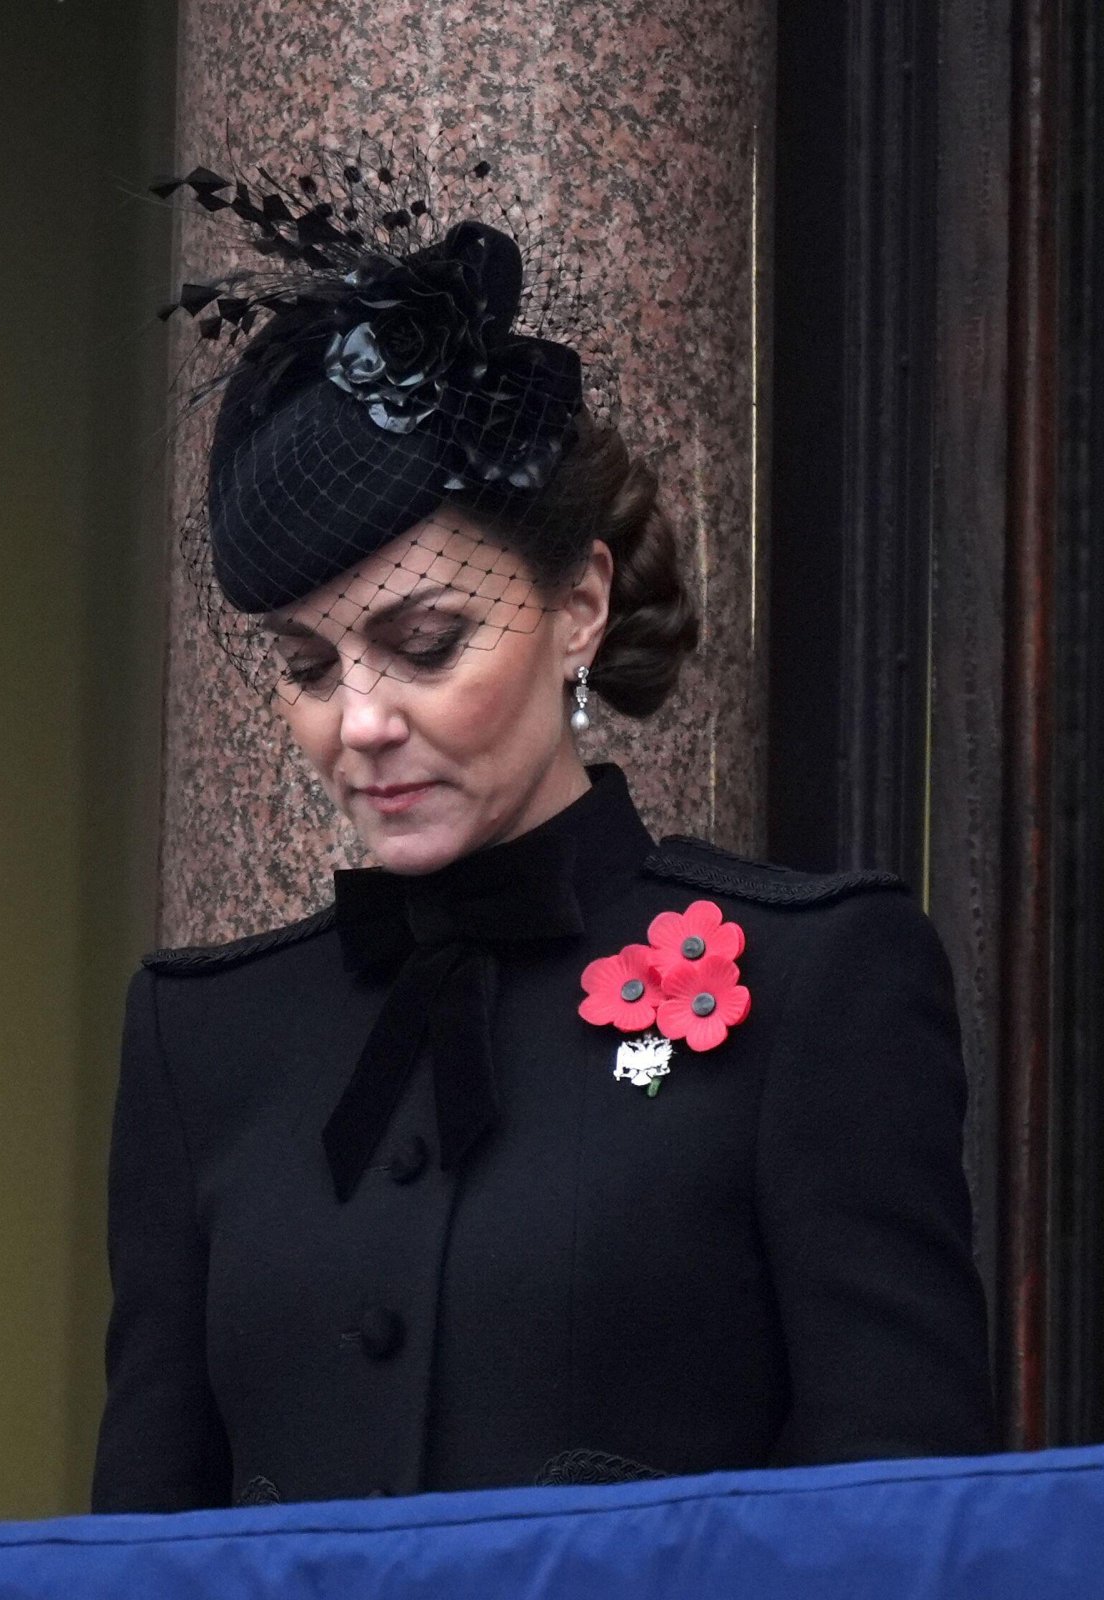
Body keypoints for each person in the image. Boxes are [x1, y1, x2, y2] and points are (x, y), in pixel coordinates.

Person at [91, 138, 995, 1513]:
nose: (362, 719)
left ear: (579, 606)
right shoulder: (201, 1044)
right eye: (311, 667)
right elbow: (144, 1546)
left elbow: (910, 1521)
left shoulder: (817, 986)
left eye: (425, 641)